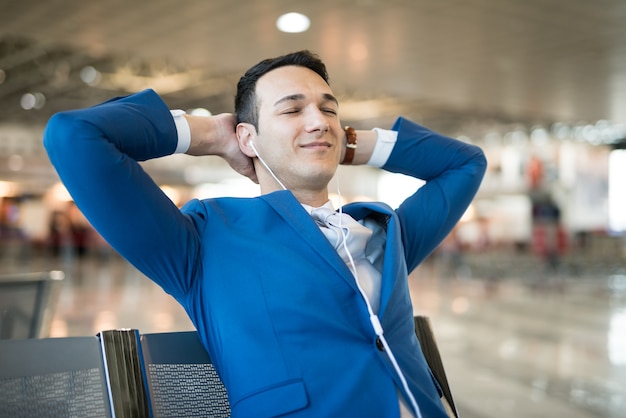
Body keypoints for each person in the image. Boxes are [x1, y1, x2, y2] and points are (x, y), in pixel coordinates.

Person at [44, 50, 486, 417]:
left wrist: (347, 142)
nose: (319, 121)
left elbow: (466, 163)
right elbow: (74, 136)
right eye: (293, 109)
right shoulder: (205, 241)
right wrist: (209, 134)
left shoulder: (385, 231)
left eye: (329, 109)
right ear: (248, 138)